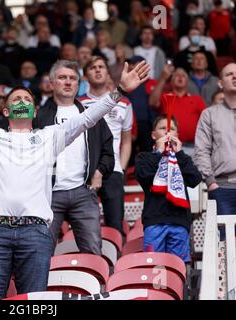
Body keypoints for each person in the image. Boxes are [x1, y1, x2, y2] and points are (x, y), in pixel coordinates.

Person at [0, 47, 150, 299]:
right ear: (6, 112)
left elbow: (88, 119)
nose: (22, 103)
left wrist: (119, 92)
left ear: (35, 110)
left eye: (27, 100)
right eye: (16, 100)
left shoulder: (50, 136)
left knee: (33, 303)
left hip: (35, 233)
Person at [34, 59, 115, 254]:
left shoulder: (91, 115)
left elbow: (107, 150)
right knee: (41, 253)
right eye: (62, 78)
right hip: (48, 195)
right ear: (52, 83)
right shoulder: (39, 117)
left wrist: (99, 172)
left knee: (93, 252)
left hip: (83, 192)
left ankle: (98, 285)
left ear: (79, 84)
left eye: (73, 78)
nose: (68, 82)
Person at [78, 56, 133, 236]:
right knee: (83, 225)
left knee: (115, 224)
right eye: (93, 67)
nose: (98, 70)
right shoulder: (77, 104)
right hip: (84, 170)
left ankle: (115, 262)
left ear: (108, 73)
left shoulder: (123, 103)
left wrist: (122, 169)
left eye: (102, 66)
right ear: (85, 76)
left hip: (114, 170)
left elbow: (126, 140)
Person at [135, 115, 202, 262]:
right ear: (153, 135)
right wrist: (159, 153)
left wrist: (179, 153)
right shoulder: (144, 157)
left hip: (179, 220)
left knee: (177, 267)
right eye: (162, 128)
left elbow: (195, 179)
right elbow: (144, 177)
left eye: (171, 129)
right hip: (154, 220)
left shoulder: (181, 158)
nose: (167, 132)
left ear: (177, 135)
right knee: (153, 265)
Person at [194, 63, 236, 229]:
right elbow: (201, 151)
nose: (235, 76)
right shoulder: (209, 114)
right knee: (225, 244)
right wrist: (211, 182)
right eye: (229, 74)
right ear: (220, 83)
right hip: (222, 187)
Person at [150, 65, 206, 156]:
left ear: (187, 82)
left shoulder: (197, 99)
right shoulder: (165, 97)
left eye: (183, 76)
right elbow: (152, 102)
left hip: (193, 147)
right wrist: (163, 78)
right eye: (176, 75)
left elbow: (206, 122)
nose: (180, 77)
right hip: (168, 145)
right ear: (171, 82)